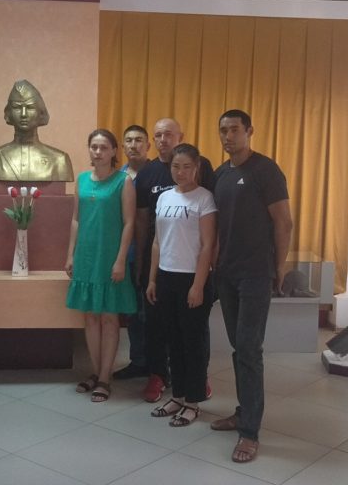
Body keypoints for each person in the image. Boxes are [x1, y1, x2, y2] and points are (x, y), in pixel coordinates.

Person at [210, 109, 293, 463]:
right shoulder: (220, 174)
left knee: (248, 348)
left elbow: (284, 222)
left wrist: (278, 268)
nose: (228, 136)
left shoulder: (266, 170)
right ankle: (244, 412)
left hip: (256, 274)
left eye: (234, 130)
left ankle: (250, 432)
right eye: (223, 131)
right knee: (238, 346)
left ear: (249, 131)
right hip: (226, 273)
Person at [134, 118, 216, 403]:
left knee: (193, 337)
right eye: (176, 167)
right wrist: (150, 277)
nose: (180, 172)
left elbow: (208, 243)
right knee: (168, 334)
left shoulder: (204, 195)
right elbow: (153, 236)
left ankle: (195, 393)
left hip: (192, 274)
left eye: (186, 167)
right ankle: (174, 391)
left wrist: (199, 284)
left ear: (196, 168)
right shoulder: (160, 191)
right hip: (164, 273)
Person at [65, 129, 137, 403]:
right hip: (85, 256)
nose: (98, 152)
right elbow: (76, 219)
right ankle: (96, 372)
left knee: (109, 318)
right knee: (91, 317)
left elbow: (129, 223)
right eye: (94, 147)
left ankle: (106, 377)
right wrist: (70, 254)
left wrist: (121, 259)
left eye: (104, 147)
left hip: (110, 257)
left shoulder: (123, 181)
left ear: (114, 151)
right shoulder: (82, 180)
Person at [113, 124, 152, 381]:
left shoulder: (158, 173)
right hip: (125, 254)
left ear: (148, 145)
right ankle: (138, 361)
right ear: (122, 147)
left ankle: (159, 366)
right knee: (132, 312)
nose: (133, 145)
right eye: (128, 140)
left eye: (139, 140)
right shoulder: (117, 177)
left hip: (153, 254)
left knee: (152, 312)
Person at [0, 80, 73, 182]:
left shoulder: (59, 160)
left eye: (30, 107)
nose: (23, 114)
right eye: (17, 107)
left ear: (41, 112)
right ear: (8, 112)